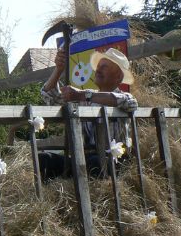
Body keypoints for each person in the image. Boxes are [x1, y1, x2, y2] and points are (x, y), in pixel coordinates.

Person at [39, 46, 138, 178]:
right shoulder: (83, 98)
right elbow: (51, 98)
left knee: (96, 163)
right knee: (44, 160)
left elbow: (128, 102)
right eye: (99, 66)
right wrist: (58, 69)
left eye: (105, 67)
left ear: (118, 76)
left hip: (114, 162)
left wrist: (82, 95)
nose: (98, 70)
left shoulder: (124, 97)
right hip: (84, 160)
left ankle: (79, 181)